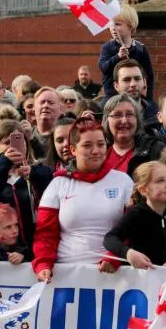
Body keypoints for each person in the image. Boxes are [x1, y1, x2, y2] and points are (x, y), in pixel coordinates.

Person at [32, 118, 134, 282]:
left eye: (101, 144)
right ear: (73, 149)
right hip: (66, 274)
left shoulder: (124, 182)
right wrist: (43, 264)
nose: (96, 151)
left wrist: (114, 257)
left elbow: (132, 229)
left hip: (113, 275)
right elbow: (45, 234)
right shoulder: (58, 183)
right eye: (87, 146)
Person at [0, 120, 53, 249]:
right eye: (7, 142)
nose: (12, 146)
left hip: (39, 247)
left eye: (19, 140)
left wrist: (33, 175)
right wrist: (3, 164)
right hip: (4, 253)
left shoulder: (43, 171)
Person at [103, 161, 166, 273]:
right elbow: (110, 238)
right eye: (160, 181)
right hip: (143, 282)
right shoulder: (136, 214)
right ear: (143, 190)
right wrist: (128, 253)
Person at [98, 5, 155, 100]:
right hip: (112, 96)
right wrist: (117, 57)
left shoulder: (140, 48)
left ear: (131, 26)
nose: (113, 28)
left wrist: (148, 97)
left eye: (117, 24)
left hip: (136, 96)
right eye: (111, 24)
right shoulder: (107, 47)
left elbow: (149, 75)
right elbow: (103, 67)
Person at [102, 94, 165, 176]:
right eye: (117, 115)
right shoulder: (100, 153)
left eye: (129, 115)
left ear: (137, 120)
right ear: (107, 121)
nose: (124, 121)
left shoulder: (155, 150)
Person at [113, 60, 159, 130]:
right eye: (127, 80)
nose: (133, 84)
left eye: (137, 79)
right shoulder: (104, 115)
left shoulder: (157, 114)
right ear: (116, 86)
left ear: (144, 82)